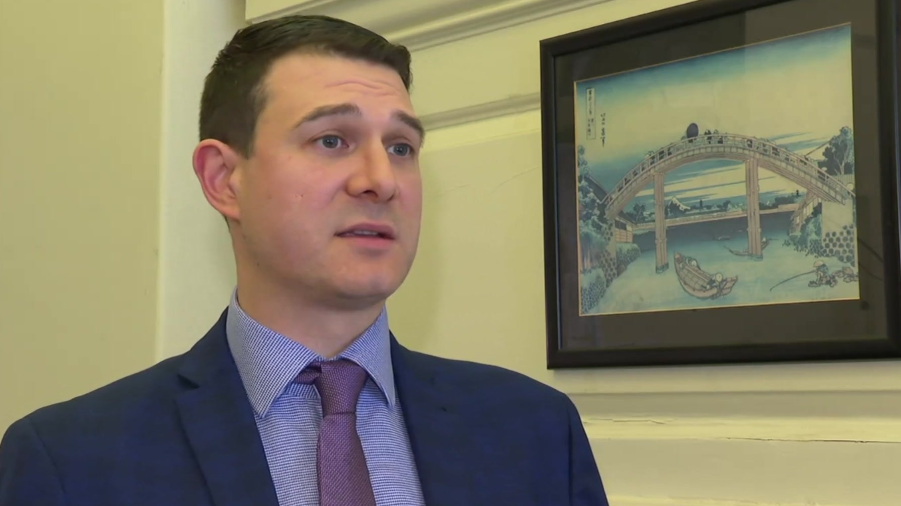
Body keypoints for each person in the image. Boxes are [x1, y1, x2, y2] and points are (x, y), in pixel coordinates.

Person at [0, 15, 608, 506]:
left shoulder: (535, 432)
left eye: (401, 147)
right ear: (224, 179)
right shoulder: (72, 461)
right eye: (332, 140)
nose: (380, 180)